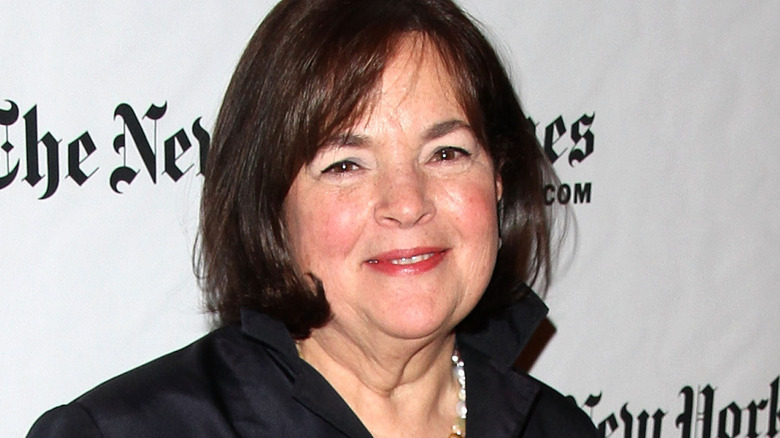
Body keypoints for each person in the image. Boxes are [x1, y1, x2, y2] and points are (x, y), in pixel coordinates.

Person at [27, 0, 597, 436]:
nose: (407, 202)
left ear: (498, 179)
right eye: (346, 164)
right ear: (273, 208)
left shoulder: (556, 429)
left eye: (446, 153)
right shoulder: (123, 432)